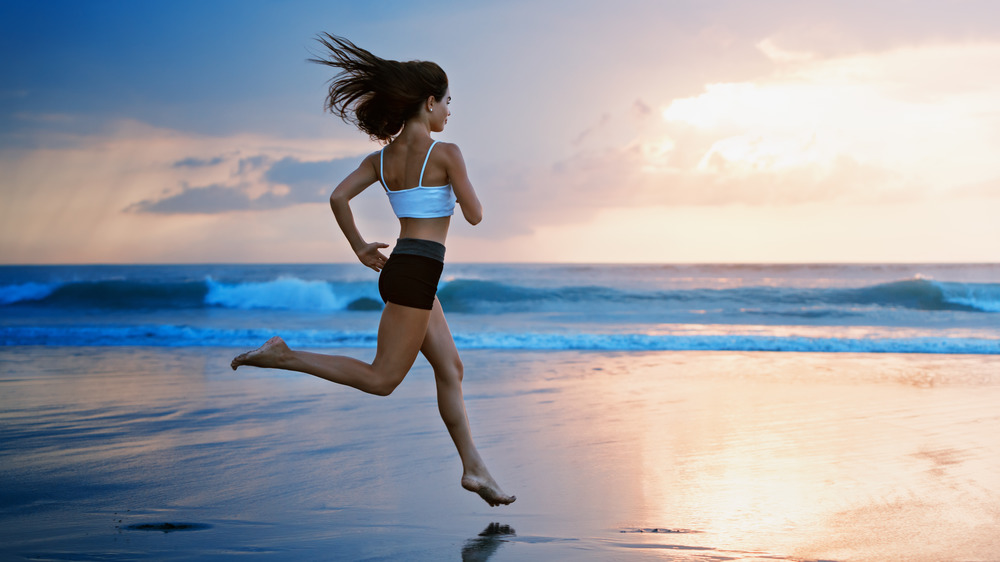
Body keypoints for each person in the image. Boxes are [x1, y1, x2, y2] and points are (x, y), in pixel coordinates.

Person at [231, 33, 515, 507]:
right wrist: (464, 192)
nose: (450, 111)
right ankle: (285, 356)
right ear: (428, 103)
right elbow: (475, 215)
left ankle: (474, 470)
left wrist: (361, 247)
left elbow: (338, 197)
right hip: (417, 275)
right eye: (447, 102)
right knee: (382, 380)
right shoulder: (448, 154)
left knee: (451, 367)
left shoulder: (381, 159)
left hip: (404, 269)